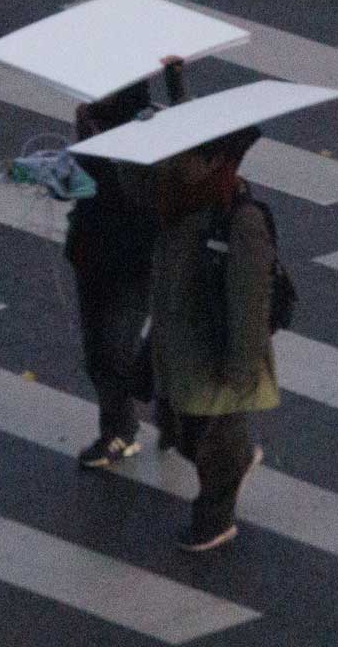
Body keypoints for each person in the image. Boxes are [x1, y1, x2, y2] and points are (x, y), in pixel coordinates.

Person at [150, 126, 277, 551]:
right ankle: (236, 459)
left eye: (189, 158)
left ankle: (214, 521)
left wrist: (242, 372)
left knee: (212, 445)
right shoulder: (179, 202)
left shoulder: (241, 221)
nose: (176, 165)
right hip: (179, 344)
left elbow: (250, 304)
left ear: (216, 164)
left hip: (216, 354)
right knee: (188, 434)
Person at [69, 58, 187, 468]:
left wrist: (176, 82)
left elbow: (165, 183)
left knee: (115, 348)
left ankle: (126, 427)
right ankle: (122, 425)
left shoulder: (148, 127)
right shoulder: (89, 117)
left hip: (134, 254)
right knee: (97, 350)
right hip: (90, 246)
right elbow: (83, 181)